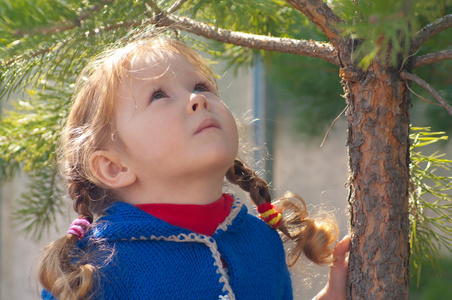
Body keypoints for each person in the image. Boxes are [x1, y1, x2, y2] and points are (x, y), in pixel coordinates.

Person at [38, 32, 349, 300]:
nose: (196, 99)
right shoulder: (91, 270)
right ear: (113, 167)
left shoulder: (261, 241)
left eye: (201, 86)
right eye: (158, 95)